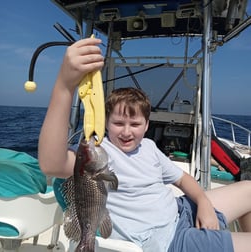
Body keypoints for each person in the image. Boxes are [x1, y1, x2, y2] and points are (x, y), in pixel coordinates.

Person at [38, 37, 251, 252]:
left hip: (179, 211)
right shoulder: (98, 152)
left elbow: (183, 179)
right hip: (171, 241)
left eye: (135, 123)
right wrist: (65, 87)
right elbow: (51, 164)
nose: (127, 131)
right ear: (105, 123)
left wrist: (203, 203)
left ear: (147, 124)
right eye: (118, 123)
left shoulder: (148, 147)